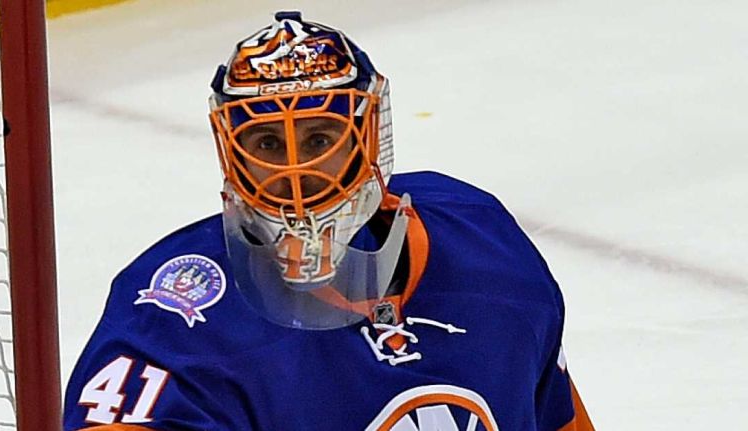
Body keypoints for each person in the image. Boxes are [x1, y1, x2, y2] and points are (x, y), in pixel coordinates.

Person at [63, 11, 594, 431]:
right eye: (268, 143)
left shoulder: (484, 242)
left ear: (368, 138)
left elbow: (559, 418)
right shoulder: (176, 312)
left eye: (320, 139)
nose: (297, 172)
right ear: (232, 154)